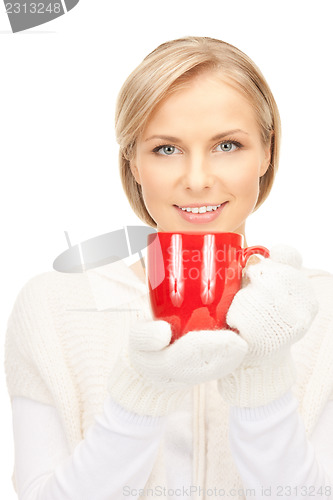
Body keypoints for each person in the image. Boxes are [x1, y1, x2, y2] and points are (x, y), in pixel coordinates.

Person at [4, 36, 333, 500]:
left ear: (266, 153)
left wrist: (265, 381)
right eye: (166, 149)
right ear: (133, 163)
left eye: (228, 145)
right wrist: (138, 398)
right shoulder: (53, 308)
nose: (197, 179)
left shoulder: (322, 309)